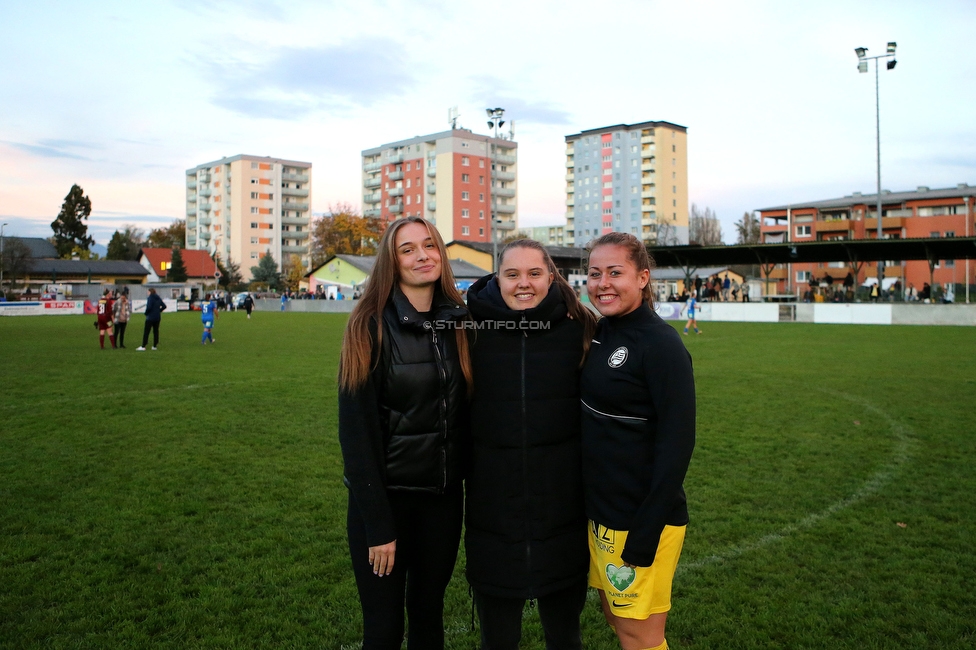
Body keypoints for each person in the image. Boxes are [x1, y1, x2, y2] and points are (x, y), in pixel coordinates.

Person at [337, 216, 472, 650]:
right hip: (386, 504)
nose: (422, 256)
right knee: (384, 626)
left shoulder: (460, 324)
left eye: (429, 245)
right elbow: (356, 437)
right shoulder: (368, 325)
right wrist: (378, 525)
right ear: (391, 262)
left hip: (442, 503)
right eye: (408, 249)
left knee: (429, 615)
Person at [464, 239, 598, 650]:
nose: (524, 284)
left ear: (551, 276)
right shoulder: (467, 331)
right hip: (493, 520)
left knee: (565, 638)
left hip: (562, 518)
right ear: (497, 278)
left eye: (535, 273)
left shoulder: (582, 330)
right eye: (513, 274)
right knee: (498, 641)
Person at [582, 232, 696, 650]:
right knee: (617, 619)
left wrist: (646, 530)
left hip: (640, 519)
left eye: (616, 272)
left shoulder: (661, 344)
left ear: (643, 277)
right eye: (594, 274)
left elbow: (678, 442)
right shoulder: (602, 330)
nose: (603, 283)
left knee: (641, 637)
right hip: (603, 514)